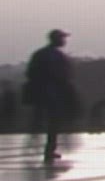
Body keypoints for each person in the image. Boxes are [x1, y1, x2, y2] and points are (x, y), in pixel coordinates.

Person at [24, 29, 77, 165]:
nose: (64, 41)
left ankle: (37, 146)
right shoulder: (56, 56)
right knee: (53, 122)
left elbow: (30, 73)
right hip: (52, 94)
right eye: (62, 38)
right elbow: (63, 76)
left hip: (40, 93)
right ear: (57, 39)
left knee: (39, 120)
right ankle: (48, 149)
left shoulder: (40, 54)